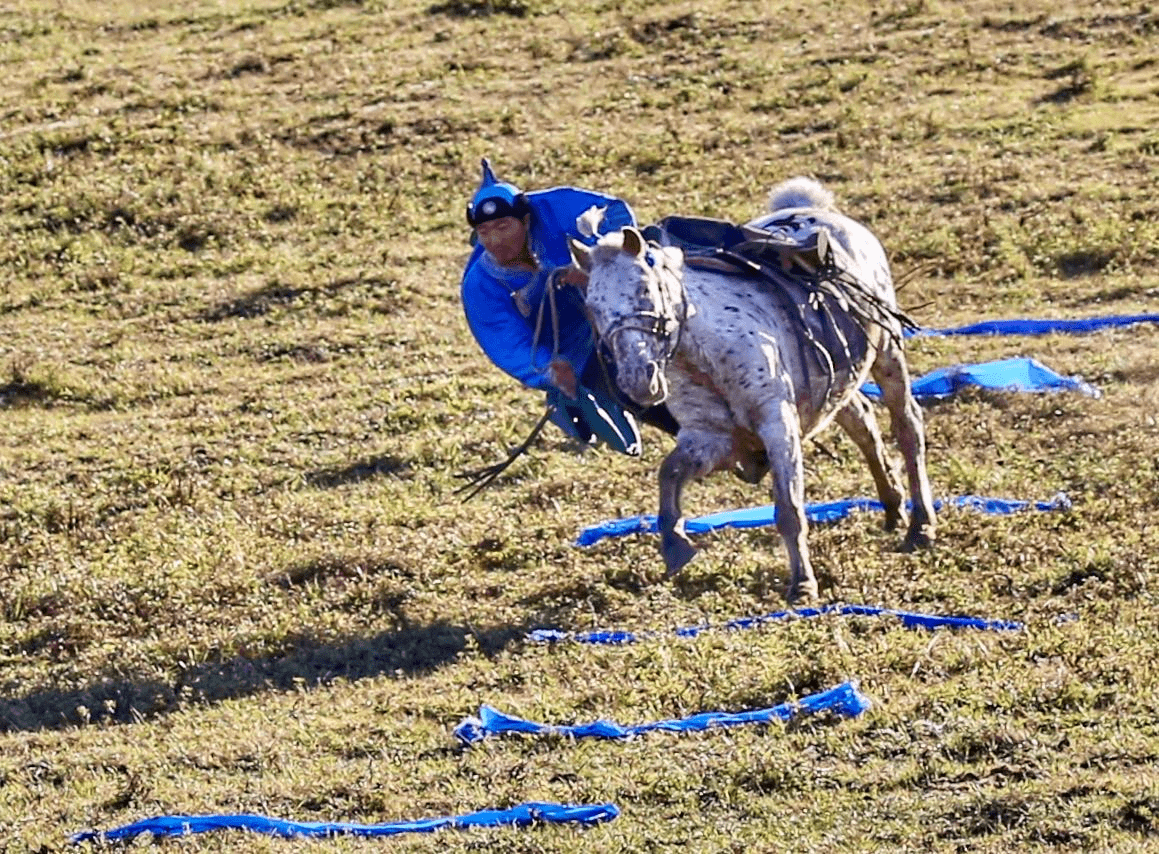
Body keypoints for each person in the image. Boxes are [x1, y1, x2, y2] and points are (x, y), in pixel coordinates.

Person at [460, 158, 678, 456]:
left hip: (620, 310)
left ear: (525, 220)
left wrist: (594, 262)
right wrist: (550, 371)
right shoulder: (481, 285)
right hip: (577, 350)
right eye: (484, 232)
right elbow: (506, 341)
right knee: (633, 392)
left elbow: (615, 214)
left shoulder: (558, 208)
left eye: (503, 226)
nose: (495, 239)